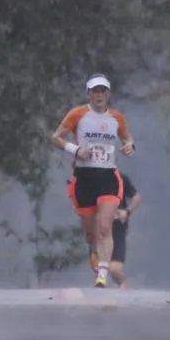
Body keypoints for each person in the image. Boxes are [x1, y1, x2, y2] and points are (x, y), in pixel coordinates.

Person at [51, 74, 134, 288]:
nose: (99, 95)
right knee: (91, 234)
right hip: (84, 178)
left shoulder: (116, 117)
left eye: (103, 91)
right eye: (95, 91)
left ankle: (102, 274)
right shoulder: (78, 114)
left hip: (108, 177)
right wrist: (76, 150)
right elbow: (56, 137)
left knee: (105, 226)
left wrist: (129, 147)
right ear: (88, 93)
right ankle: (94, 251)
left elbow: (128, 139)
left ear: (108, 94)